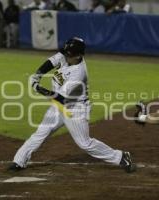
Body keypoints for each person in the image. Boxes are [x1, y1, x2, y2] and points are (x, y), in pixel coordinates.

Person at [8, 37, 136, 173]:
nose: (65, 56)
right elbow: (52, 61)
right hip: (58, 106)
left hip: (75, 109)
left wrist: (38, 88)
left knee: (84, 143)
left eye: (68, 54)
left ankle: (121, 156)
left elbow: (60, 98)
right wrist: (38, 75)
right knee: (41, 132)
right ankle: (19, 161)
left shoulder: (79, 73)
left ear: (79, 55)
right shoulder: (67, 54)